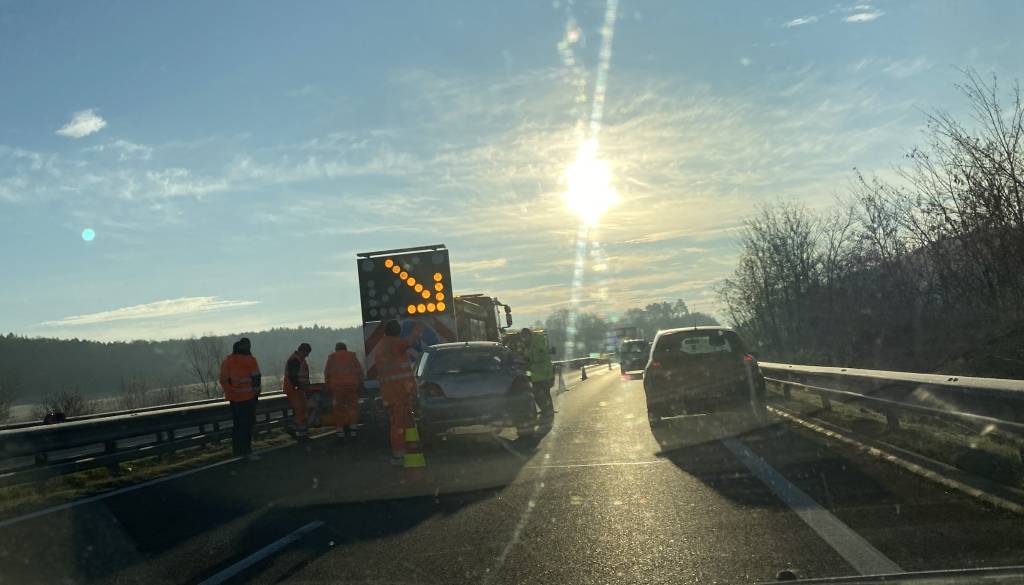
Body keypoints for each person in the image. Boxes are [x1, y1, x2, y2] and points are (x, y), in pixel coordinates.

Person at [373, 320, 422, 465]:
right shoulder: (393, 343)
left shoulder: (383, 346)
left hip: (393, 393)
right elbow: (410, 342)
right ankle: (400, 455)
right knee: (399, 425)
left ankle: (408, 450)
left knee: (403, 424)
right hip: (399, 393)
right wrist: (418, 327)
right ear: (397, 332)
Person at [219, 337, 261, 459]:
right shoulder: (250, 360)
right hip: (248, 399)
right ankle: (247, 451)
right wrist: (256, 396)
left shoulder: (227, 361)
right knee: (247, 426)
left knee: (237, 426)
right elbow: (256, 379)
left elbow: (223, 380)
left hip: (234, 400)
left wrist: (231, 393)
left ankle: (237, 451)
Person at [324, 341, 364, 440]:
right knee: (353, 409)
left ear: (336, 349)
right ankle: (353, 431)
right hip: (351, 387)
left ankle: (340, 432)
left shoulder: (332, 358)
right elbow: (359, 372)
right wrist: (360, 385)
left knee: (338, 410)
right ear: (345, 348)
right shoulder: (352, 357)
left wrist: (328, 387)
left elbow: (327, 374)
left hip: (337, 389)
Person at [521, 328, 555, 421]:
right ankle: (547, 411)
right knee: (540, 394)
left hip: (544, 373)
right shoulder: (527, 344)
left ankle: (548, 411)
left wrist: (528, 360)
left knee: (544, 394)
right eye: (523, 337)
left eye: (525, 336)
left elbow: (540, 355)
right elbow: (527, 361)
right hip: (535, 375)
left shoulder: (538, 342)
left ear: (529, 335)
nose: (524, 339)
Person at [283, 342, 312, 440]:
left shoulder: (298, 359)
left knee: (302, 411)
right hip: (295, 389)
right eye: (307, 353)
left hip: (298, 389)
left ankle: (302, 434)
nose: (307, 355)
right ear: (303, 351)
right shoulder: (295, 359)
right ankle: (295, 428)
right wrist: (299, 386)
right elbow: (293, 376)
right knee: (300, 411)